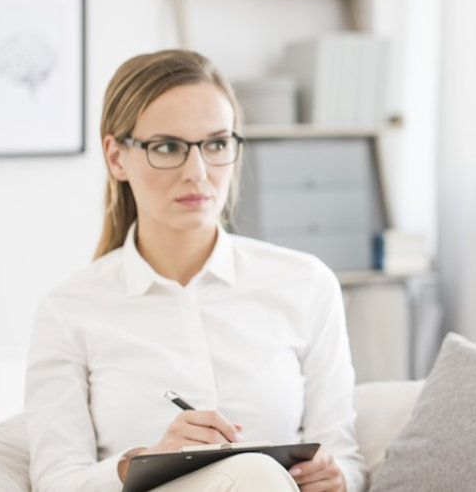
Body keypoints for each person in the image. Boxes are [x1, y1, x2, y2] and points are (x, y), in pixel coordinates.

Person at [26, 49, 363, 492]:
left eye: (217, 144)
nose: (197, 172)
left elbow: (348, 458)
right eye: (168, 147)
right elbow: (55, 483)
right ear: (116, 157)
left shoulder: (307, 284)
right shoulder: (70, 310)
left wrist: (337, 478)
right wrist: (142, 464)